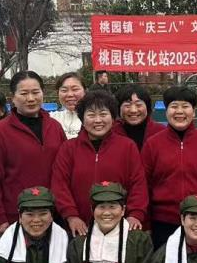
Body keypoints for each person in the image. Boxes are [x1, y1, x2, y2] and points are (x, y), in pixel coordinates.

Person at [51, 89, 148, 237]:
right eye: (91, 115)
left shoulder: (127, 146)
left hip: (119, 227)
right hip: (80, 228)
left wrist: (135, 214)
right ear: (82, 119)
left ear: (113, 117)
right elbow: (60, 185)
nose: (98, 120)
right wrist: (71, 216)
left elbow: (138, 184)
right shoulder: (68, 148)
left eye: (103, 114)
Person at [0, 71, 67, 236]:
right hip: (16, 217)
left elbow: (66, 170)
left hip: (52, 215)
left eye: (35, 92)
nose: (31, 98)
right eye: (24, 93)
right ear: (12, 98)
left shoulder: (54, 127)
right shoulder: (0, 132)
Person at [142, 85, 197, 247]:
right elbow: (144, 186)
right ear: (166, 111)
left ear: (194, 111)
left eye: (185, 106)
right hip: (163, 222)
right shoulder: (152, 144)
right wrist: (146, 223)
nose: (179, 111)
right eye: (174, 106)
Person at [116, 82, 164, 150]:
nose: (133, 110)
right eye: (127, 105)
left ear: (147, 107)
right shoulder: (111, 133)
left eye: (138, 105)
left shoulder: (161, 132)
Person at [53, 71, 86, 139]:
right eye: (64, 90)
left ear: (85, 91)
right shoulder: (52, 118)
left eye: (75, 89)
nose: (70, 94)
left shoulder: (95, 119)